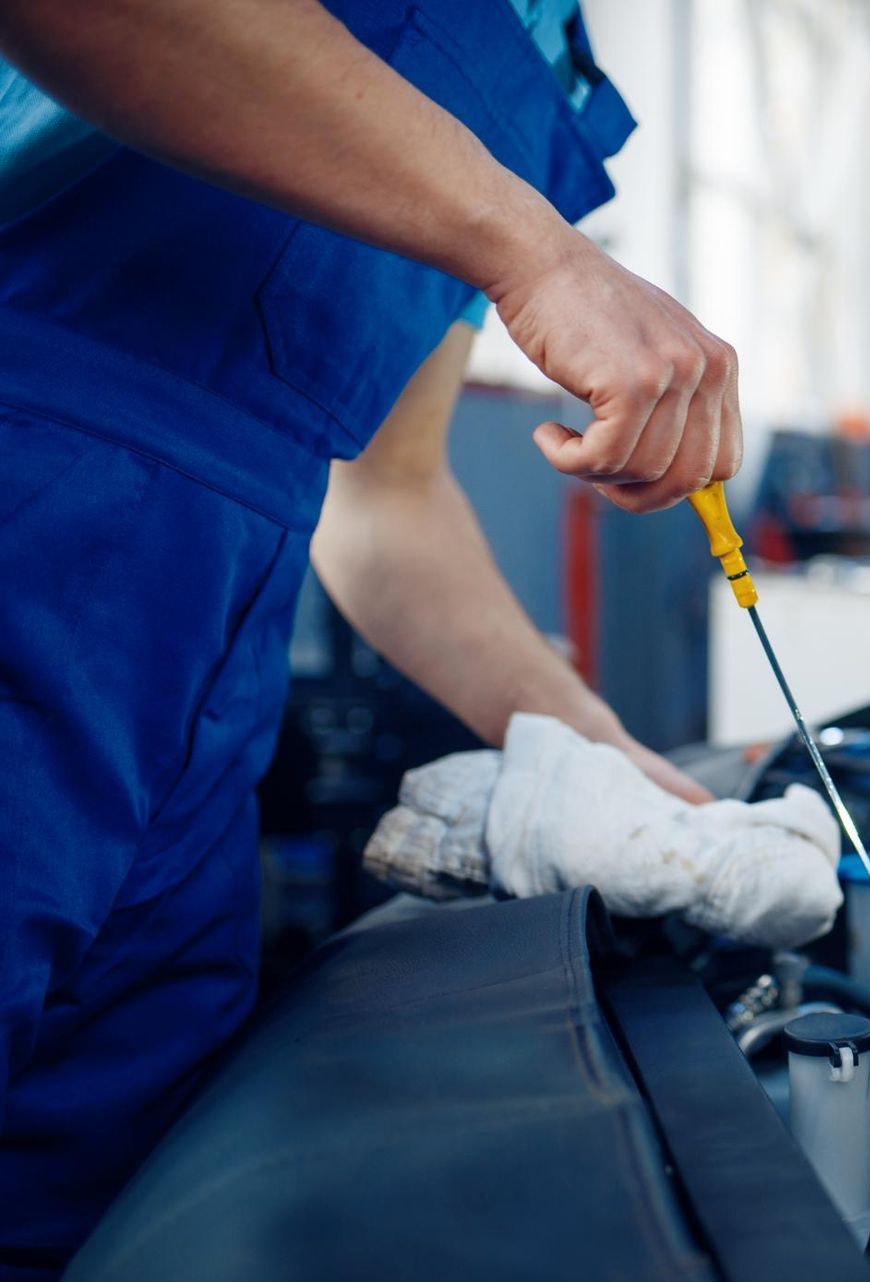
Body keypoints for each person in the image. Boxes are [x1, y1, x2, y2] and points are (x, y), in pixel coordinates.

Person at [0, 0, 741, 1271]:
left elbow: (386, 501)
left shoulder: (543, 51)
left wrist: (606, 763)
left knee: (94, 1207)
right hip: (30, 496)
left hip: (204, 695)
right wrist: (538, 251)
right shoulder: (511, 196)